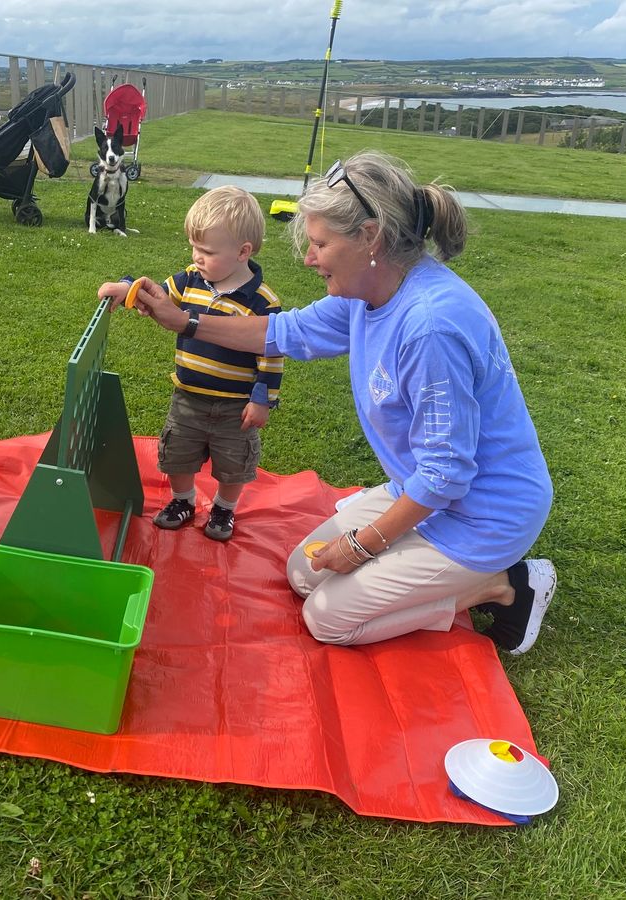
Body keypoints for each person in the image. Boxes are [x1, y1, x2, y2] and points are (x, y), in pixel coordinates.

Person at [124, 151, 556, 654]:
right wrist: (185, 322)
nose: (309, 259)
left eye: (320, 243)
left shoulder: (430, 327)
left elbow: (445, 474)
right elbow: (286, 331)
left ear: (369, 237)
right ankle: (427, 565)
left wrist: (363, 544)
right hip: (423, 491)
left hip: (484, 515)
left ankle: (501, 585)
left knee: (328, 619)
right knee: (304, 573)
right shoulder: (366, 292)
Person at [98, 185, 284, 542]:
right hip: (188, 397)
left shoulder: (262, 301)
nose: (197, 257)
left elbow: (272, 353)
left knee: (234, 463)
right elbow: (155, 296)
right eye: (194, 247)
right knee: (176, 455)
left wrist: (263, 399)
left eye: (207, 251)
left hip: (235, 407)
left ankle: (224, 508)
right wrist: (127, 289)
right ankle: (183, 501)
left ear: (243, 252)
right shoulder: (189, 281)